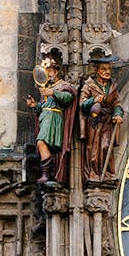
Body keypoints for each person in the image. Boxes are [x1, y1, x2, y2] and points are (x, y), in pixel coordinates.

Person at [25, 50, 77, 185]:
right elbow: (43, 107)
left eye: (49, 71)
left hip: (54, 119)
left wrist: (53, 92)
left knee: (41, 142)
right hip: (45, 118)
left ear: (56, 71)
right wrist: (35, 105)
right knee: (42, 144)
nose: (47, 74)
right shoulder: (46, 88)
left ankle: (47, 172)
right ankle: (48, 172)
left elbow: (68, 97)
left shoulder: (63, 86)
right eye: (45, 71)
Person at [81, 59, 124, 182]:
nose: (107, 71)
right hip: (94, 121)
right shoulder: (89, 85)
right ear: (97, 71)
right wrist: (93, 100)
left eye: (109, 69)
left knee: (106, 146)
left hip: (107, 121)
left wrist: (118, 114)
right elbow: (82, 103)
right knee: (93, 148)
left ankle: (107, 173)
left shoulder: (112, 87)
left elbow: (117, 104)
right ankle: (93, 172)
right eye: (104, 69)